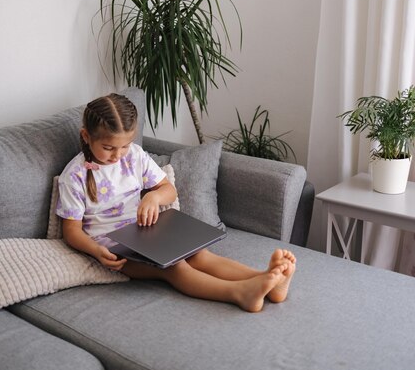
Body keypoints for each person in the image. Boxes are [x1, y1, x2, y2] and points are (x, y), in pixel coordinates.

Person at [57, 93, 296, 312]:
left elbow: (168, 190)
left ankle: (266, 279)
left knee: (200, 255)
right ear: (86, 136)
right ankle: (240, 293)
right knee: (174, 267)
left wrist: (153, 196)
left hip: (145, 235)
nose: (118, 155)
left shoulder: (135, 156)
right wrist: (97, 252)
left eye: (124, 146)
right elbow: (71, 231)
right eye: (108, 148)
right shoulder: (75, 176)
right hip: (113, 249)